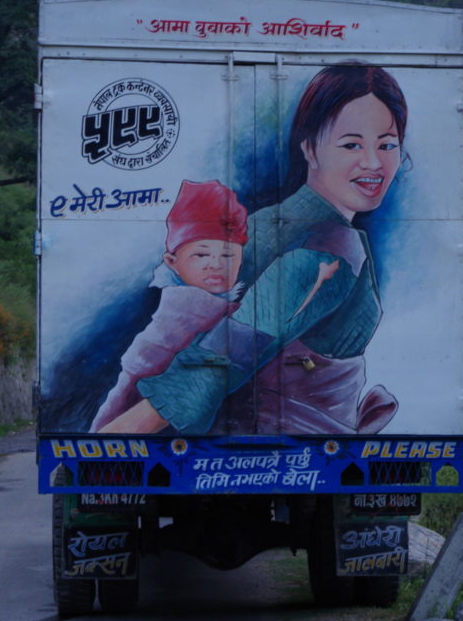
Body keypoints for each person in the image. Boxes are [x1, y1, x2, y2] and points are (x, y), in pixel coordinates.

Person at [99, 62, 403, 436]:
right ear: (309, 149)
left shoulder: (260, 224)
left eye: (387, 145)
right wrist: (111, 440)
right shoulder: (333, 248)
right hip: (294, 450)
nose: (372, 162)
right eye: (351, 144)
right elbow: (235, 347)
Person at [89, 179, 248, 433]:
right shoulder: (179, 312)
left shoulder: (226, 304)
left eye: (228, 255)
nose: (216, 264)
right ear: (172, 262)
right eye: (201, 254)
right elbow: (125, 393)